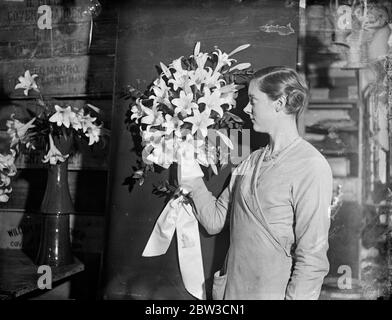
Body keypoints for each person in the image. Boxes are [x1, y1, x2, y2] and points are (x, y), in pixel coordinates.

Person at [181, 66, 333, 300]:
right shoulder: (250, 162)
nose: (246, 108)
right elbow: (214, 221)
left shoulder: (311, 166)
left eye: (253, 101)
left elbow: (312, 259)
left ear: (279, 103)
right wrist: (189, 174)